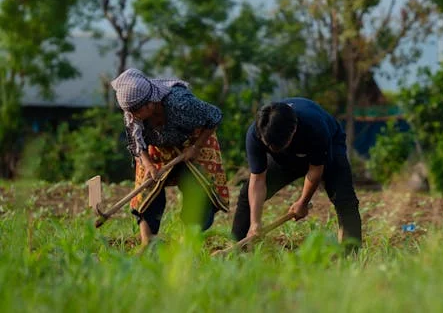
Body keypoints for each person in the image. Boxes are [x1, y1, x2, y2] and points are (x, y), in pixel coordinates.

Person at [110, 68, 230, 246]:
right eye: (129, 112)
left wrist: (195, 147)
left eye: (135, 112)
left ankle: (189, 238)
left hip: (194, 141)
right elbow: (136, 143)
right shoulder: (132, 115)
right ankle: (147, 240)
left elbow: (215, 116)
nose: (131, 117)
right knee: (147, 186)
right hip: (157, 146)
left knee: (198, 188)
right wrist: (148, 165)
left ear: (150, 104)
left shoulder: (181, 103)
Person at [231, 98, 362, 250]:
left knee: (344, 199)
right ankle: (235, 250)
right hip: (286, 159)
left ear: (294, 129)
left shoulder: (315, 127)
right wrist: (255, 223)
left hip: (330, 146)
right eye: (270, 145)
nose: (273, 148)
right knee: (246, 196)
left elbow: (315, 171)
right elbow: (258, 179)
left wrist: (303, 202)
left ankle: (350, 255)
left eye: (279, 144)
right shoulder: (256, 134)